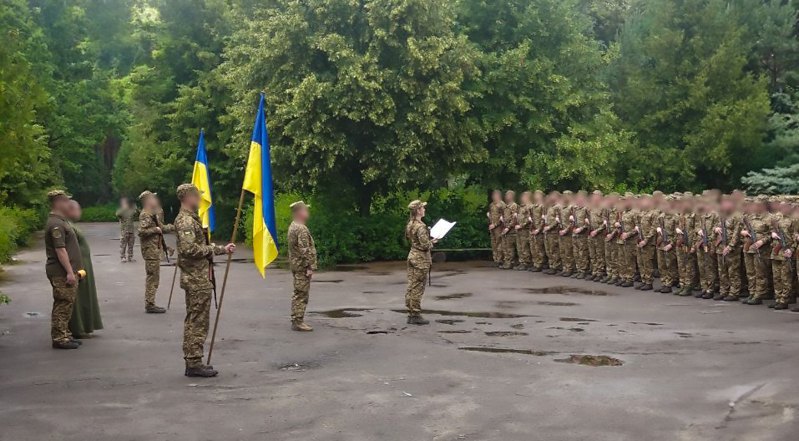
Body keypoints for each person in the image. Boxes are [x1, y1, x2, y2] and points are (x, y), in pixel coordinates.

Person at [174, 183, 235, 377]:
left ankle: (194, 360)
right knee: (197, 322)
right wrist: (212, 250)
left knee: (197, 320)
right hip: (196, 279)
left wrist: (222, 249)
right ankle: (193, 363)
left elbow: (198, 245)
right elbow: (189, 249)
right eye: (197, 195)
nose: (199, 199)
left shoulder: (191, 219)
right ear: (188, 197)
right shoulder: (186, 221)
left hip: (198, 277)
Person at [44, 190, 84, 349]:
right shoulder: (56, 224)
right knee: (63, 304)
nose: (69, 204)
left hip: (67, 271)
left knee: (67, 304)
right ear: (58, 202)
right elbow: (60, 250)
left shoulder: (61, 221)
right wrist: (69, 271)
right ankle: (59, 338)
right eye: (66, 201)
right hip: (60, 272)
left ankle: (65, 334)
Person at [65, 201, 103, 339]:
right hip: (78, 266)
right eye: (78, 209)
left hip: (83, 265)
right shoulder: (68, 226)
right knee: (79, 297)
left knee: (85, 296)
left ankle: (84, 326)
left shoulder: (71, 225)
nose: (80, 212)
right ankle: (77, 329)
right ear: (70, 210)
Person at [138, 191, 174, 313]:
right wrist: (155, 229)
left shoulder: (153, 213)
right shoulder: (145, 214)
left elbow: (162, 227)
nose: (155, 200)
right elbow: (141, 231)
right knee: (152, 278)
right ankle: (150, 304)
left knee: (154, 277)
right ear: (148, 200)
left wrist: (174, 227)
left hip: (155, 249)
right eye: (153, 198)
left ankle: (150, 302)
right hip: (150, 251)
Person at [287, 201, 317, 331]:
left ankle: (297, 319)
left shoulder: (293, 226)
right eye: (306, 210)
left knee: (298, 292)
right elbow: (305, 249)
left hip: (296, 264)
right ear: (300, 212)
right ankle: (298, 321)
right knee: (301, 293)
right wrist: (309, 267)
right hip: (302, 266)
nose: (307, 212)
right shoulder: (301, 229)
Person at [405, 200, 436, 325]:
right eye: (422, 208)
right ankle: (415, 314)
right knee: (418, 287)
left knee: (411, 285)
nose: (424, 209)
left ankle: (410, 311)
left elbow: (413, 240)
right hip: (420, 259)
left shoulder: (410, 224)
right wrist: (432, 242)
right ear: (418, 211)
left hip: (412, 256)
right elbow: (425, 245)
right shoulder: (420, 226)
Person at [500, 191, 519, 269]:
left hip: (511, 230)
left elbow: (514, 218)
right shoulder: (506, 206)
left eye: (508, 195)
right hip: (505, 229)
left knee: (510, 247)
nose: (506, 196)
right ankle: (507, 261)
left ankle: (510, 262)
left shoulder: (514, 205)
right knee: (506, 247)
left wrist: (508, 227)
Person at [115, 197, 137, 263]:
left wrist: (134, 206)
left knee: (131, 244)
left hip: (131, 230)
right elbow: (117, 214)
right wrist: (123, 208)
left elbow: (136, 213)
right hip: (124, 231)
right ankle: (123, 257)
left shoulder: (131, 210)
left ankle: (130, 257)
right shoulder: (121, 210)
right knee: (123, 245)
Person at [487, 190, 505, 267]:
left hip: (499, 227)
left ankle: (501, 260)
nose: (494, 196)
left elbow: (503, 217)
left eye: (496, 195)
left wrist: (495, 224)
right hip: (492, 227)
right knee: (494, 243)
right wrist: (490, 223)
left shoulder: (502, 204)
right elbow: (490, 215)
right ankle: (496, 259)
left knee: (499, 243)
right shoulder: (491, 205)